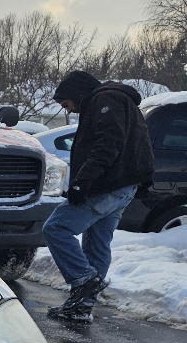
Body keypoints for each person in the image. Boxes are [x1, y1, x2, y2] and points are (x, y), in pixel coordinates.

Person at [42, 70, 154, 322]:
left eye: (66, 104)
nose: (68, 110)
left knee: (56, 227)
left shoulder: (106, 100)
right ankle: (82, 307)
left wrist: (83, 181)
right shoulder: (113, 98)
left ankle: (84, 280)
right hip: (122, 185)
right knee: (96, 242)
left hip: (110, 185)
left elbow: (108, 143)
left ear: (77, 93)